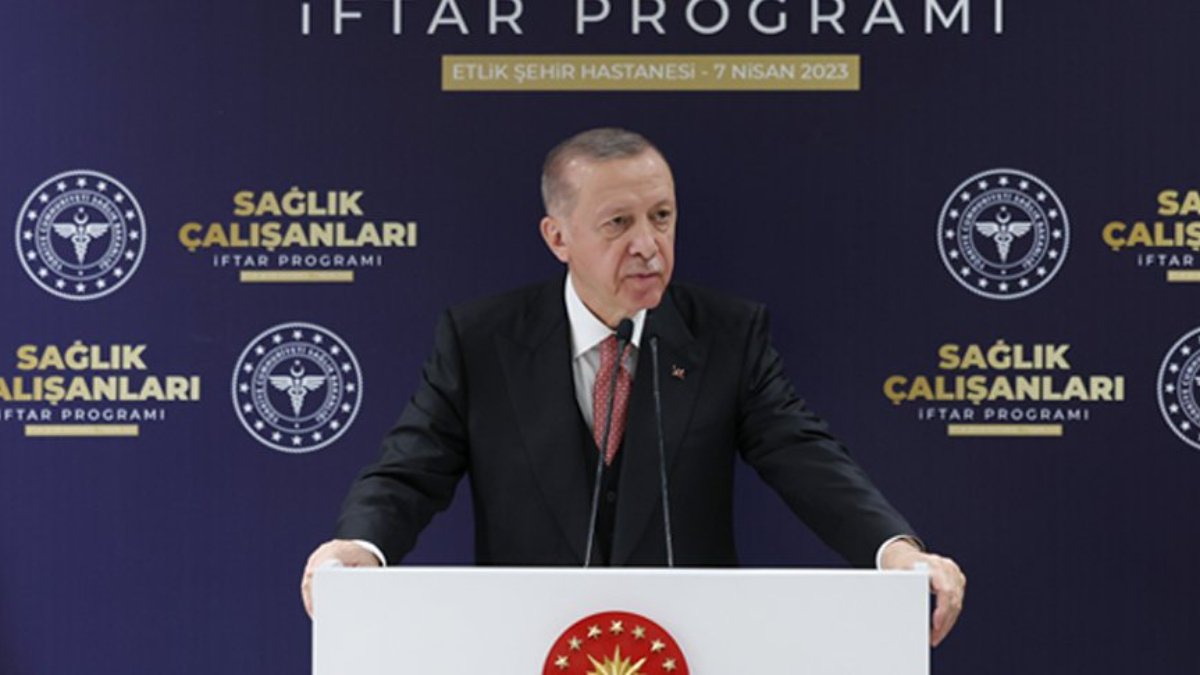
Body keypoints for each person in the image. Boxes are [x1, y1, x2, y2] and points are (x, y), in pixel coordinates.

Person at [301, 128, 965, 646]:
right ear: (558, 237)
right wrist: (359, 546)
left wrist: (895, 551)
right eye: (618, 223)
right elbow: (410, 468)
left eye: (662, 216)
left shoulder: (727, 337)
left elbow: (805, 456)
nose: (648, 244)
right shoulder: (481, 342)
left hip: (692, 648)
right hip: (527, 645)